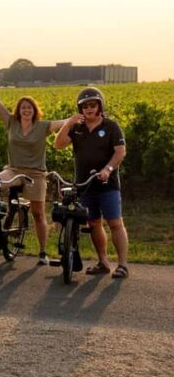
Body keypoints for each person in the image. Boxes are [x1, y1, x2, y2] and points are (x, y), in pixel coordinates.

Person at [0, 72, 66, 265]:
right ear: (18, 110)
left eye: (29, 107)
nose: (26, 110)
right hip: (13, 170)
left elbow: (63, 122)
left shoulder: (42, 126)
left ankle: (43, 252)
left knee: (38, 212)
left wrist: (79, 117)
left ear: (34, 110)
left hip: (35, 174)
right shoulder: (11, 122)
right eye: (23, 107)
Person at [53, 87, 129, 279]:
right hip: (84, 185)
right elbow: (58, 144)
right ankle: (103, 262)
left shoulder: (111, 127)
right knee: (94, 223)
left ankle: (122, 265)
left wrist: (108, 170)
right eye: (84, 106)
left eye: (92, 105)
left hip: (107, 184)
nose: (89, 109)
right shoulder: (76, 128)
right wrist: (69, 123)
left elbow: (120, 152)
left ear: (99, 106)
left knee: (114, 223)